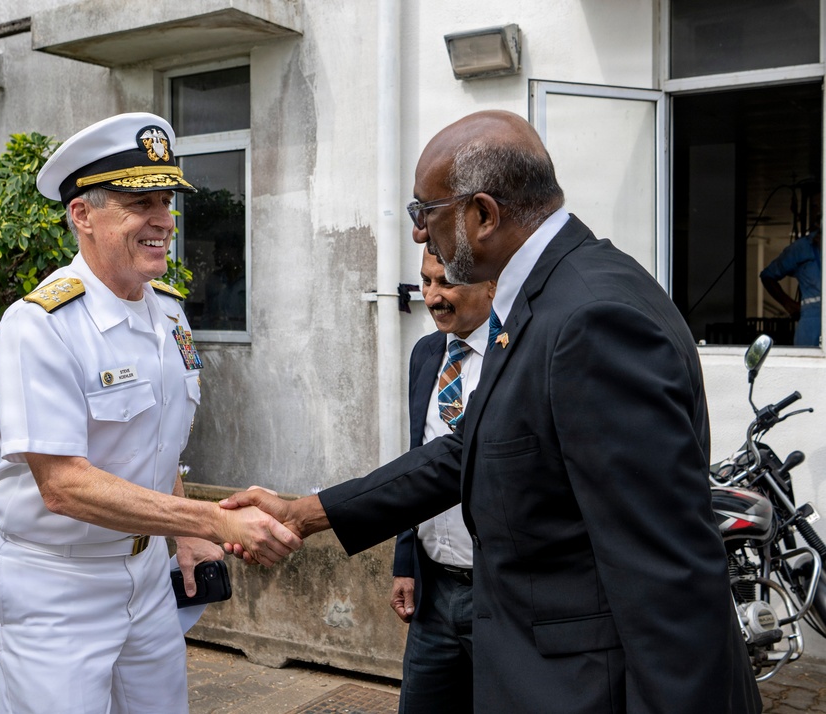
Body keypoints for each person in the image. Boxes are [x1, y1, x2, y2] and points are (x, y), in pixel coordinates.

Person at [222, 110, 762, 713]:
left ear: (482, 214)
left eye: (424, 214)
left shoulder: (590, 319)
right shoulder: (543, 300)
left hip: (581, 689)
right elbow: (469, 450)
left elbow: (667, 577)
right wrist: (308, 512)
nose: (419, 237)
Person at [0, 112, 300, 714]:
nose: (162, 221)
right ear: (82, 215)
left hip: (148, 573)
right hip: (59, 583)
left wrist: (183, 538)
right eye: (138, 202)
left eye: (167, 201)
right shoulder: (40, 328)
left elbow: (156, 445)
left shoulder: (168, 313)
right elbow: (65, 485)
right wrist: (211, 522)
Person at [391, 249, 493, 713]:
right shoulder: (427, 353)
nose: (433, 297)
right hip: (433, 594)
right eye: (425, 282)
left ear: (491, 285)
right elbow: (418, 464)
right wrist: (405, 562)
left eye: (446, 283)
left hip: (498, 596)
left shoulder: (515, 357)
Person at [760, 194, 821, 346]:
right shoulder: (803, 248)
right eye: (815, 207)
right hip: (812, 324)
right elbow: (768, 275)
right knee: (808, 365)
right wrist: (789, 304)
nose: (819, 211)